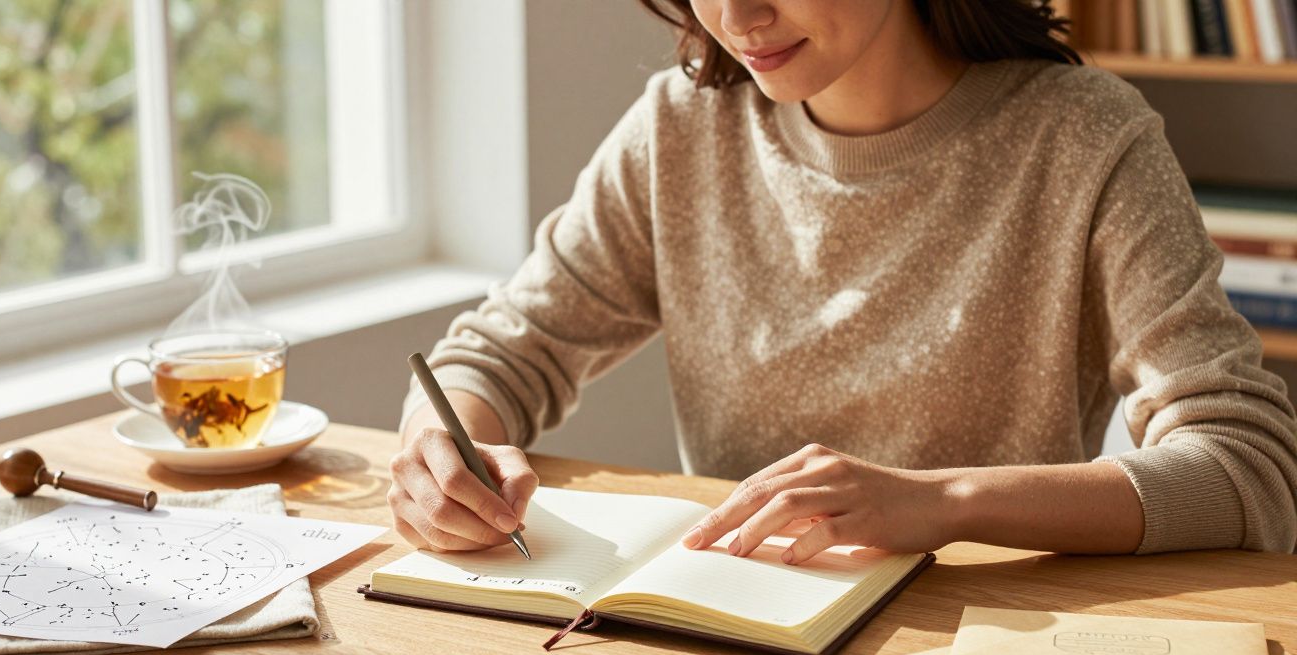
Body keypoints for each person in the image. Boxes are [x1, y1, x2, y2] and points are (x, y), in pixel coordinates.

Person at [387, 0, 1297, 563]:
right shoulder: (682, 128)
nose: (735, 17)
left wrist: (941, 504)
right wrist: (443, 446)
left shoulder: (1085, 140)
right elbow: (504, 349)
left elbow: (1246, 470)